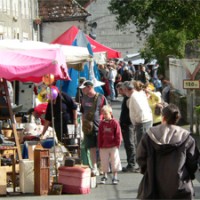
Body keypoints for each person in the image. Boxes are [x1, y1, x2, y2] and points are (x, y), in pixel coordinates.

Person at [136, 104, 199, 199]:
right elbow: (193, 162)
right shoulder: (187, 138)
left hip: (153, 184)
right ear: (177, 118)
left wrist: (147, 170)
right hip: (179, 185)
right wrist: (188, 175)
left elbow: (140, 157)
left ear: (163, 117)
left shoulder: (149, 135)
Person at [80, 80, 107, 175]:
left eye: (84, 88)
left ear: (89, 87)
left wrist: (105, 123)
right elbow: (82, 112)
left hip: (99, 126)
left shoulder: (101, 97)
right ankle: (94, 167)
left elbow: (106, 111)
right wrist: (82, 125)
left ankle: (103, 166)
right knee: (91, 147)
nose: (82, 90)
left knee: (101, 147)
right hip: (88, 128)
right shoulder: (83, 98)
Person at [116, 81, 138, 172]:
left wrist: (126, 121)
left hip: (128, 124)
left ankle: (132, 164)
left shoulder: (129, 98)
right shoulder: (126, 98)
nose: (119, 93)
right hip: (126, 124)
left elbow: (131, 112)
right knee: (128, 144)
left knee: (130, 144)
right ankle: (131, 163)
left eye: (119, 90)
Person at [98, 105, 122, 185]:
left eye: (106, 114)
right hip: (104, 146)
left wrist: (117, 144)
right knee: (104, 161)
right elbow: (100, 135)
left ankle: (115, 176)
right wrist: (100, 144)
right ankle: (104, 175)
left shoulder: (115, 123)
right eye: (103, 114)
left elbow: (118, 134)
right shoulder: (102, 123)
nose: (104, 115)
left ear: (110, 113)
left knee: (114, 161)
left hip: (113, 146)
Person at [128, 80, 152, 145]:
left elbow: (140, 110)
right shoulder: (142, 94)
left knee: (142, 145)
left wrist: (135, 122)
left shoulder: (135, 96)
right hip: (148, 119)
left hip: (142, 122)